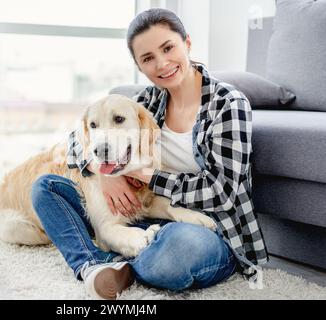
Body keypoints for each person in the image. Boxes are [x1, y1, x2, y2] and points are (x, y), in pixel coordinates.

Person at [31, 8, 269, 300]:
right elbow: (76, 140)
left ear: (187, 43)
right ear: (139, 66)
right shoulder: (145, 101)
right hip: (148, 214)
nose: (162, 63)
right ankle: (98, 262)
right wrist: (105, 173)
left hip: (208, 229)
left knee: (176, 254)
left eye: (168, 48)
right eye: (147, 58)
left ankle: (107, 252)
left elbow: (223, 193)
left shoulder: (228, 104)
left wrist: (143, 175)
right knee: (45, 187)